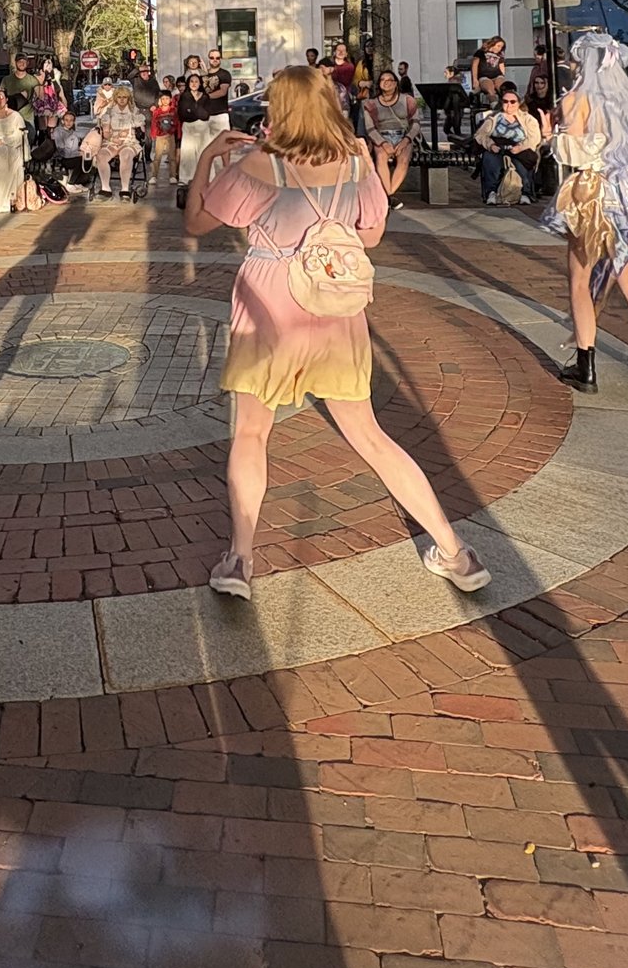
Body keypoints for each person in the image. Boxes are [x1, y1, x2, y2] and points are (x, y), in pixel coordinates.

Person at [183, 66, 489, 600]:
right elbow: (371, 236)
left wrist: (210, 158)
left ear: (279, 107)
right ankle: (453, 549)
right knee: (370, 434)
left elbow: (196, 223)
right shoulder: (355, 162)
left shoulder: (260, 163)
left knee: (252, 433)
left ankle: (240, 558)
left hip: (269, 305)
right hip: (335, 305)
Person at [543, 36, 628, 393]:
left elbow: (571, 152)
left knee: (579, 280)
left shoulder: (576, 99)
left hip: (592, 191)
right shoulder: (627, 102)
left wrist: (551, 134)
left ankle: (585, 365)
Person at [475, 86, 547, 206]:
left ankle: (526, 192)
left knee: (523, 162)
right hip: (498, 147)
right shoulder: (493, 118)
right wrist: (491, 145)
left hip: (519, 148)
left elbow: (534, 138)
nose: (509, 104)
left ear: (518, 103)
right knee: (490, 159)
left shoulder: (527, 119)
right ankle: (491, 192)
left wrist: (521, 147)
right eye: (505, 101)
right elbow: (480, 135)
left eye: (513, 101)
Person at [363, 69, 418, 197]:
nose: (386, 83)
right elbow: (370, 128)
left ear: (395, 83)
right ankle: (389, 196)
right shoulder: (371, 104)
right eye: (382, 80)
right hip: (382, 136)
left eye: (389, 80)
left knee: (403, 160)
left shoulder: (408, 100)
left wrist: (406, 140)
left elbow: (416, 124)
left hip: (403, 136)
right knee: (381, 157)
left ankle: (388, 194)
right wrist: (383, 143)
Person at [85, 81, 142, 198]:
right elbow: (105, 133)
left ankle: (125, 188)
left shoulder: (134, 111)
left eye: (124, 97)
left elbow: (140, 129)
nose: (121, 99)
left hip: (129, 142)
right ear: (115, 98)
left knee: (126, 155)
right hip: (111, 141)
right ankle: (105, 187)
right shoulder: (109, 112)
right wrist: (110, 135)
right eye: (119, 97)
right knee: (100, 156)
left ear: (128, 98)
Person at [180, 56, 234, 165]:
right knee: (189, 150)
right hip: (191, 120)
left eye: (195, 62)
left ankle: (223, 168)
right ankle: (188, 174)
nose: (193, 64)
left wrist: (204, 73)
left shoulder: (206, 75)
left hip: (209, 115)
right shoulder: (185, 77)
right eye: (191, 62)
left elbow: (217, 90)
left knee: (208, 145)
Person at [148, 80, 184, 190]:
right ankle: (154, 176)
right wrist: (153, 134)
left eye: (167, 98)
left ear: (170, 99)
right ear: (160, 100)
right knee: (157, 156)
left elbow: (177, 123)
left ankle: (173, 176)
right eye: (163, 99)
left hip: (171, 135)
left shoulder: (173, 110)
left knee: (172, 157)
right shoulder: (157, 112)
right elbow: (154, 123)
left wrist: (178, 134)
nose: (165, 100)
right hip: (160, 136)